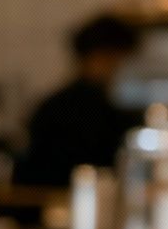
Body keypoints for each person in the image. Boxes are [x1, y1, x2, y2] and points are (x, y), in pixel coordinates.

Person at [21, 13, 143, 188]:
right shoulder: (102, 110)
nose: (119, 68)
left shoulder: (51, 105)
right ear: (100, 56)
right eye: (119, 59)